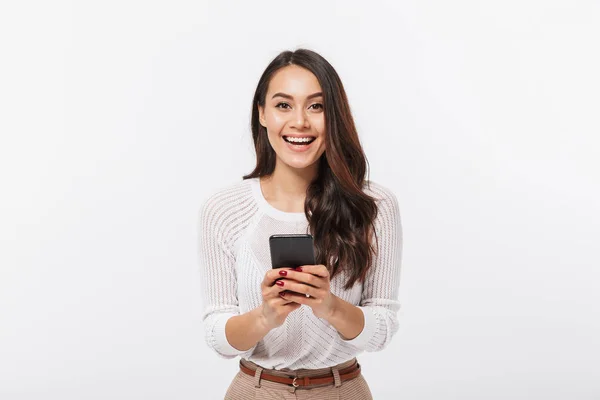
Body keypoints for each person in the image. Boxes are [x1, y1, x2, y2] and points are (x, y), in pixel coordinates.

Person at [197, 48, 403, 399]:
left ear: (334, 116)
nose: (300, 122)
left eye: (316, 106)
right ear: (262, 114)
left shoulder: (373, 206)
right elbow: (218, 337)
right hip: (256, 390)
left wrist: (329, 306)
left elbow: (382, 329)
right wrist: (265, 316)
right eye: (283, 105)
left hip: (342, 390)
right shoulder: (223, 209)